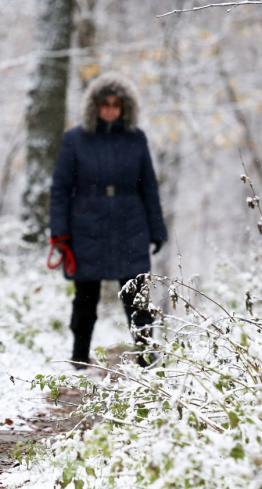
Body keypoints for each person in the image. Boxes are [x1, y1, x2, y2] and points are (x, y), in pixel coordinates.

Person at [48, 72, 168, 368]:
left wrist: (157, 229)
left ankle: (146, 356)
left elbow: (149, 187)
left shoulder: (136, 139)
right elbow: (60, 188)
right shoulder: (75, 139)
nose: (111, 109)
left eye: (117, 104)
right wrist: (60, 232)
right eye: (105, 103)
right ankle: (79, 356)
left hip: (130, 223)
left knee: (137, 296)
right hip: (87, 225)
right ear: (96, 105)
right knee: (85, 298)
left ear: (125, 107)